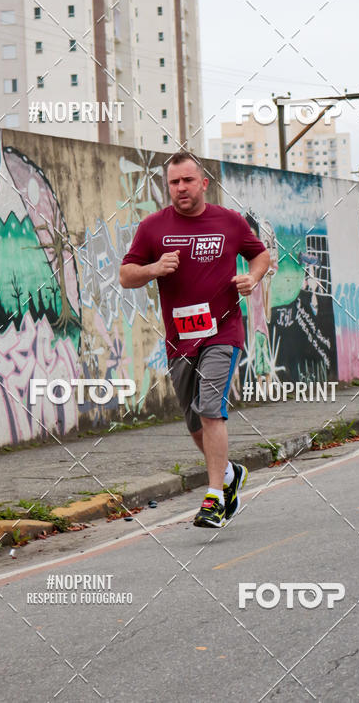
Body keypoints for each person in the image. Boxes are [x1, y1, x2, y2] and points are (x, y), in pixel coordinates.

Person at [119, 152, 271, 528]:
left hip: (223, 331)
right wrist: (154, 268)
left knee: (209, 406)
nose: (181, 188)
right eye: (174, 182)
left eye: (188, 180)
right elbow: (126, 275)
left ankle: (214, 497)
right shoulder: (153, 227)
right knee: (193, 422)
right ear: (167, 186)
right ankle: (231, 473)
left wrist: (252, 279)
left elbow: (261, 256)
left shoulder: (229, 222)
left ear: (203, 183)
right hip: (180, 339)